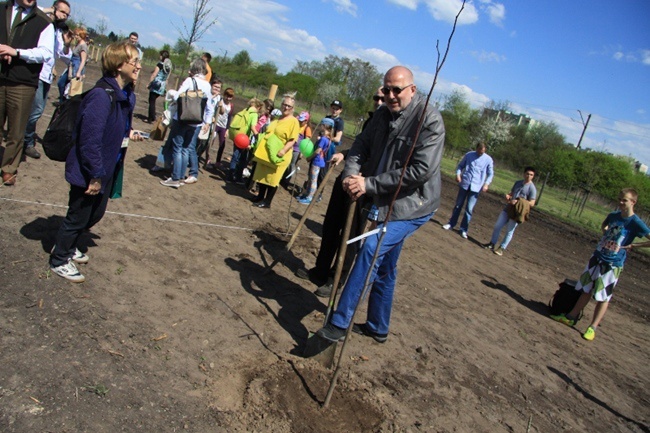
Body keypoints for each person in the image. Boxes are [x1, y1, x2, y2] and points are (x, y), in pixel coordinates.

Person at [316, 65, 445, 343]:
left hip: (413, 205)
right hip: (383, 197)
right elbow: (361, 145)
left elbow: (419, 171)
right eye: (386, 89)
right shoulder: (382, 115)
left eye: (397, 89)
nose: (391, 95)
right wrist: (352, 176)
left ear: (412, 89)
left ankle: (340, 322)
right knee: (386, 266)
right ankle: (377, 326)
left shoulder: (429, 121)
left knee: (372, 249)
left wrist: (368, 185)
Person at [49, 41, 143, 282]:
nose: (139, 66)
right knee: (78, 215)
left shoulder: (124, 95)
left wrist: (128, 132)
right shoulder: (101, 96)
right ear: (118, 65)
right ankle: (59, 257)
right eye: (134, 62)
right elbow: (90, 141)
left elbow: (116, 124)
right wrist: (95, 174)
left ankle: (67, 246)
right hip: (90, 170)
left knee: (95, 214)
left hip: (106, 168)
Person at [295, 88, 384, 296]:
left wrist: (365, 175)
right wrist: (344, 154)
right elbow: (362, 147)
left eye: (384, 96)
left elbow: (383, 157)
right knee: (331, 226)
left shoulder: (392, 125)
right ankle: (320, 271)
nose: (379, 100)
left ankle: (336, 280)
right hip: (347, 177)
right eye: (377, 97)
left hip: (364, 186)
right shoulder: (373, 120)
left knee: (350, 235)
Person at [550, 188, 650, 341]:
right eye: (620, 199)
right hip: (597, 258)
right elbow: (605, 224)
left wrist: (634, 246)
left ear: (633, 202)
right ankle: (570, 317)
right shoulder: (614, 216)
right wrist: (605, 231)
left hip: (613, 264)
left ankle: (592, 327)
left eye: (624, 200)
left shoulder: (636, 223)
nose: (621, 202)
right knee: (586, 289)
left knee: (603, 297)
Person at [0, 0, 55, 186]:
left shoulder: (44, 21)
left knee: (16, 130)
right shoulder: (2, 8)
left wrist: (17, 52)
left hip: (23, 82)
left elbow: (46, 53)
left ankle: (9, 168)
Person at [23, 0, 72, 160]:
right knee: (35, 111)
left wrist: (66, 45)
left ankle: (23, 138)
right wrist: (48, 10)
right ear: (53, 9)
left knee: (36, 110)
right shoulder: (41, 23)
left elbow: (64, 57)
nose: (64, 16)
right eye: (62, 12)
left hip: (46, 77)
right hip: (34, 73)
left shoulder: (58, 32)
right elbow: (32, 7)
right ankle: (26, 141)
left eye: (67, 14)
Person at [159, 58, 214, 188]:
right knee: (185, 149)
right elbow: (209, 106)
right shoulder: (207, 85)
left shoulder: (190, 81)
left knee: (177, 148)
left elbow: (178, 96)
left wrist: (172, 93)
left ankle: (175, 177)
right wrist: (207, 122)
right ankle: (181, 176)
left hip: (183, 118)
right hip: (196, 122)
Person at [249, 93, 299, 209]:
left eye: (289, 106)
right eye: (284, 104)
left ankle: (267, 202)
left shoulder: (293, 121)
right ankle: (260, 196)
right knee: (263, 174)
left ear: (293, 108)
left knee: (273, 178)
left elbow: (292, 140)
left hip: (280, 153)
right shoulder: (277, 118)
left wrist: (283, 150)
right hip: (268, 152)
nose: (286, 108)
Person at [442, 142, 493, 239]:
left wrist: (486, 184)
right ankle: (451, 223)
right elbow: (460, 166)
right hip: (465, 183)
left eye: (482, 152)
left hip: (476, 186)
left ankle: (463, 229)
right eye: (479, 151)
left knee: (469, 209)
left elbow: (490, 174)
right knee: (458, 205)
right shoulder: (469, 155)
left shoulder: (488, 160)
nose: (480, 153)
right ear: (476, 148)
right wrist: (458, 175)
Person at [485, 166, 536, 256]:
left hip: (518, 212)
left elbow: (532, 203)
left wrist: (520, 201)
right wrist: (508, 196)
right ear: (524, 174)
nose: (529, 176)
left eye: (531, 175)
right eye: (527, 174)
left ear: (533, 176)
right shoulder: (518, 183)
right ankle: (492, 243)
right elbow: (512, 193)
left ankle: (501, 248)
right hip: (508, 208)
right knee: (497, 226)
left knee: (509, 231)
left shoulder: (532, 188)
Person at [297, 118, 333, 204]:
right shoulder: (327, 139)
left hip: (317, 161)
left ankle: (309, 197)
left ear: (324, 126)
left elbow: (318, 150)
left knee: (313, 180)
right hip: (319, 161)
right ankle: (307, 194)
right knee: (311, 179)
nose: (319, 127)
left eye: (321, 125)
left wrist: (310, 157)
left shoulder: (324, 139)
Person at [283, 110, 311, 189]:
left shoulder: (306, 129)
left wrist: (302, 153)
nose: (299, 121)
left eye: (301, 121)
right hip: (290, 147)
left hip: (297, 150)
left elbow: (307, 142)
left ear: (306, 121)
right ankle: (283, 177)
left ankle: (287, 180)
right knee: (286, 162)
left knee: (292, 164)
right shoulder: (296, 124)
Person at [56, 26, 86, 103]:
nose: (75, 37)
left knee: (73, 89)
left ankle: (67, 104)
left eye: (77, 35)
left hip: (76, 69)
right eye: (75, 35)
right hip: (71, 67)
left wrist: (79, 72)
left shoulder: (83, 46)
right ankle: (62, 100)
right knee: (61, 83)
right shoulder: (78, 44)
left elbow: (83, 60)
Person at [199, 78, 221, 167]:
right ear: (211, 86)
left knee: (206, 142)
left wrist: (221, 105)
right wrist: (212, 97)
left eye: (219, 88)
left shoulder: (219, 98)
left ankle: (197, 156)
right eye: (215, 86)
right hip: (201, 120)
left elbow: (221, 111)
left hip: (210, 123)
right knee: (197, 140)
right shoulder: (206, 94)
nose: (217, 89)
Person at [145, 49, 172, 123]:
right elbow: (167, 78)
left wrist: (149, 83)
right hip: (162, 85)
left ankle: (151, 118)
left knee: (151, 101)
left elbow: (154, 74)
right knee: (153, 100)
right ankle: (152, 116)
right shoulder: (168, 67)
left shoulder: (159, 64)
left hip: (156, 84)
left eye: (160, 55)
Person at [211, 86, 233, 165]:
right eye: (227, 96)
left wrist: (227, 129)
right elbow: (213, 110)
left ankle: (218, 161)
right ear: (224, 95)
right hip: (216, 123)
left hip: (223, 126)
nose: (228, 98)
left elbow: (229, 117)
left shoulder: (231, 106)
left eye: (230, 97)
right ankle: (206, 157)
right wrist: (213, 117)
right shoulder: (219, 101)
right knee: (211, 140)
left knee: (222, 144)